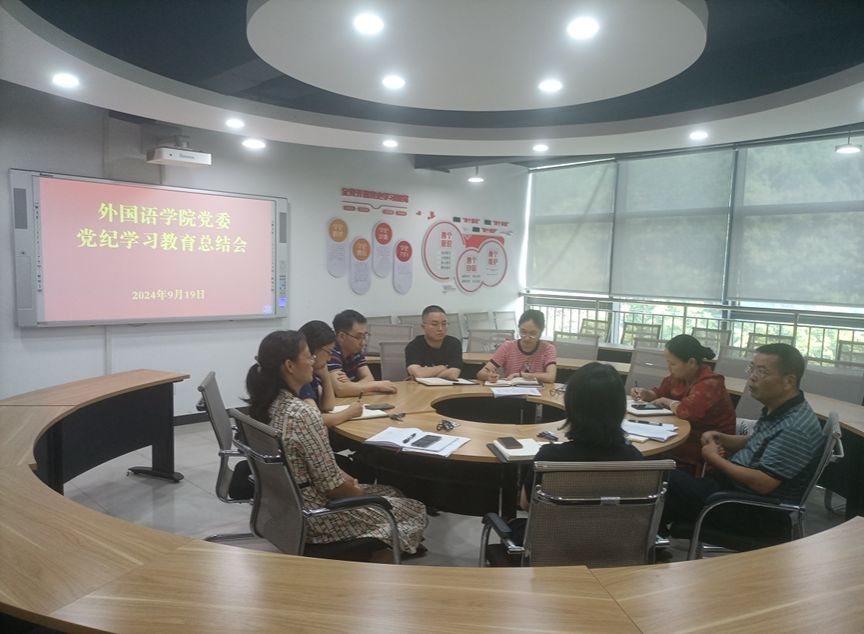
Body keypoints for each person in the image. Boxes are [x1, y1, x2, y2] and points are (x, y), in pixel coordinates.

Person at [244, 330, 427, 558]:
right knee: (416, 509)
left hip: (287, 508)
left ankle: (381, 543)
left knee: (393, 492)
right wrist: (356, 489)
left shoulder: (267, 404)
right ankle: (379, 556)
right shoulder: (302, 414)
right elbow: (336, 490)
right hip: (316, 516)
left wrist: (347, 480)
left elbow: (318, 466)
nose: (313, 362)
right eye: (309, 357)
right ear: (290, 366)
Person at [659, 343, 825, 538]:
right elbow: (760, 441)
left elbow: (763, 483)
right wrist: (723, 438)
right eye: (752, 368)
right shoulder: (783, 408)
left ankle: (647, 542)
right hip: (730, 490)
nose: (752, 377)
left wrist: (715, 459)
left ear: (789, 381)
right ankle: (653, 541)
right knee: (660, 478)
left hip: (749, 508)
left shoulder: (794, 428)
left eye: (761, 372)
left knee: (658, 478)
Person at [509, 362, 643, 544]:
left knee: (512, 524)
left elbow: (526, 505)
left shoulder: (551, 457)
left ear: (572, 407)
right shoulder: (634, 457)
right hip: (611, 546)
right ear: (620, 408)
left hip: (554, 546)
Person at [629, 334, 736, 474]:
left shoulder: (710, 383)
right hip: (682, 431)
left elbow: (687, 412)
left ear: (691, 363)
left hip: (709, 441)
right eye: (667, 362)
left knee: (653, 448)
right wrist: (645, 393)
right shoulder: (679, 377)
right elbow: (659, 393)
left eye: (673, 364)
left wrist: (668, 402)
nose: (668, 367)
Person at [298, 320, 363, 427]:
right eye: (328, 352)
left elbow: (328, 406)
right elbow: (316, 420)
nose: (329, 359)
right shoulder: (301, 377)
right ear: (313, 349)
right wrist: (350, 412)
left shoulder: (312, 373)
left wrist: (326, 376)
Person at [328, 309, 398, 397]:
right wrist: (376, 385)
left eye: (365, 336)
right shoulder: (330, 353)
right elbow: (341, 390)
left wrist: (350, 386)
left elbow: (369, 378)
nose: (363, 343)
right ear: (342, 336)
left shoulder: (355, 351)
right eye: (358, 337)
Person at [476, 309, 557, 384]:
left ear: (541, 332)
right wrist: (488, 376)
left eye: (533, 334)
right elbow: (481, 373)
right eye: (523, 332)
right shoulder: (508, 347)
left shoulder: (548, 348)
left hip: (539, 393)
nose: (527, 337)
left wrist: (523, 375)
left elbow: (551, 377)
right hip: (512, 392)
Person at [405, 305, 463, 380]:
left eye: (444, 324)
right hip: (420, 387)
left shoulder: (454, 343)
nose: (440, 329)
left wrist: (426, 375)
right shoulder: (414, 346)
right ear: (423, 327)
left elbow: (453, 374)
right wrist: (443, 367)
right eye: (434, 324)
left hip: (447, 386)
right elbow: (418, 374)